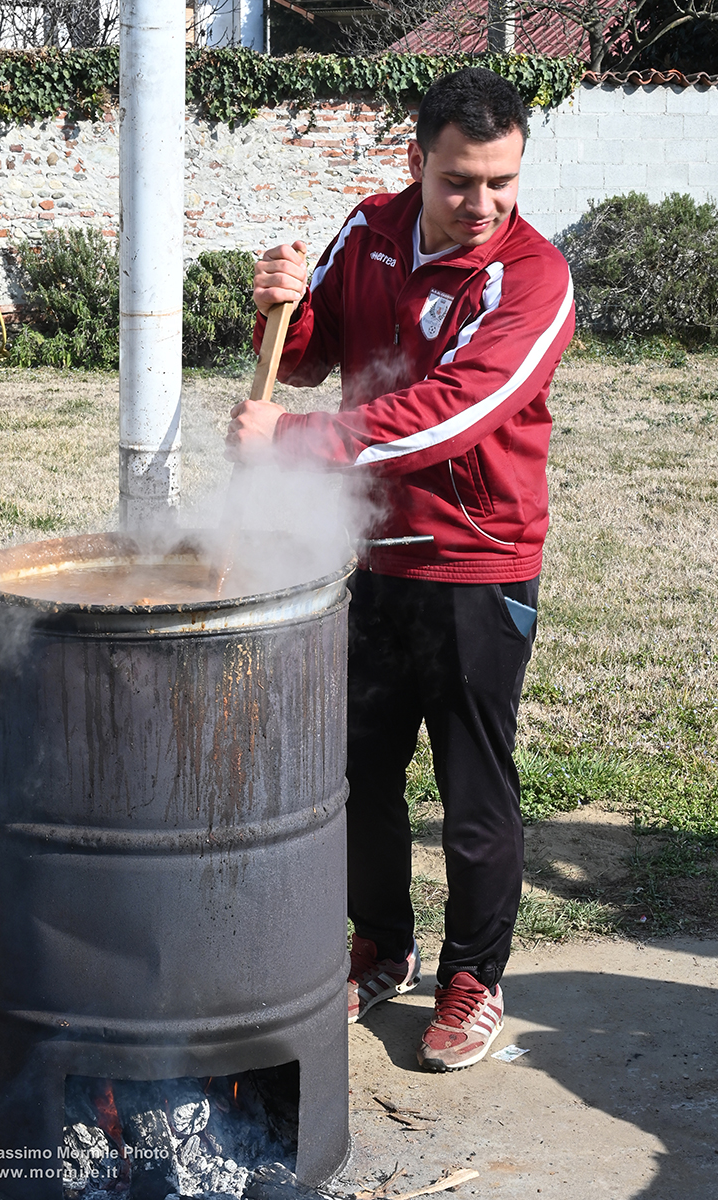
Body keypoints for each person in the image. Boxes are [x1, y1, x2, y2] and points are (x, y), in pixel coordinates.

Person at [225, 67, 575, 1072]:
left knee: (473, 784)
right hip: (372, 553)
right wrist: (274, 308)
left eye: (501, 182)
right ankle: (380, 944)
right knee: (355, 771)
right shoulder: (368, 229)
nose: (482, 204)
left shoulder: (532, 279)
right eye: (461, 180)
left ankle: (472, 977)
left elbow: (454, 412)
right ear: (414, 160)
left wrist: (295, 440)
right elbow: (302, 356)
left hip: (478, 562)